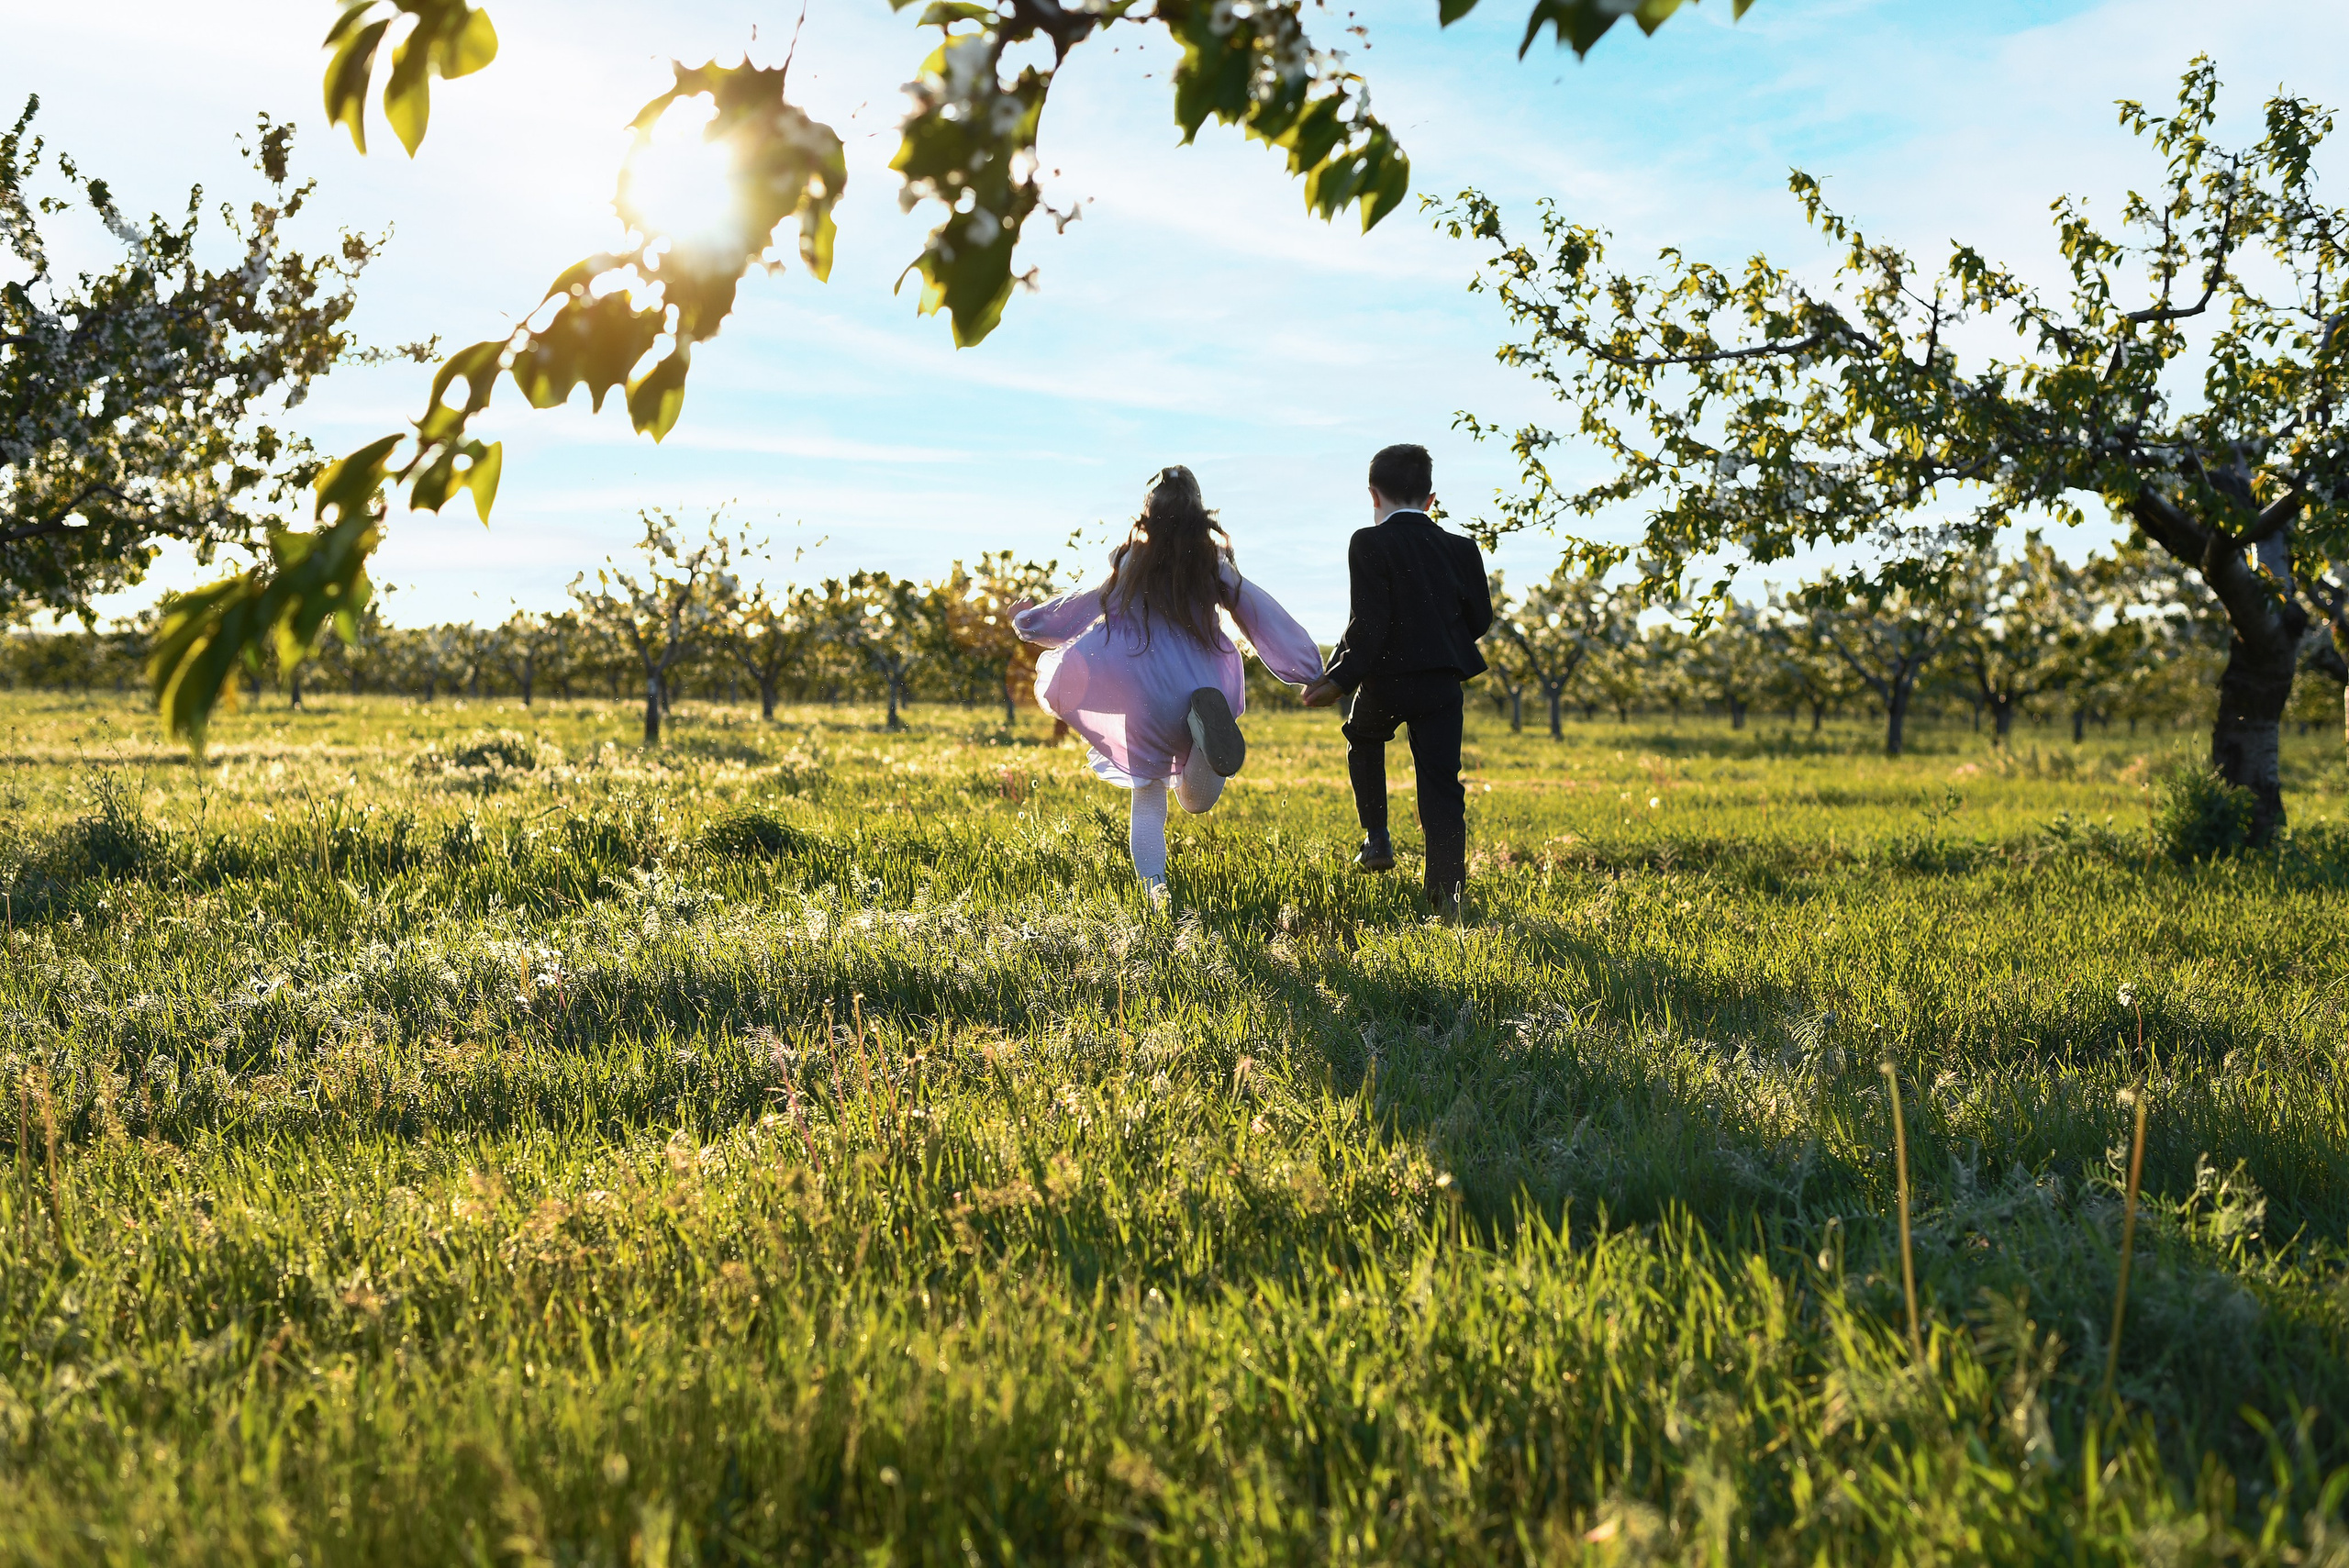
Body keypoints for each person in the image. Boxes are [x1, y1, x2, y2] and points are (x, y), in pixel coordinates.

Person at [1015, 465, 1325, 904]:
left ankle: (1155, 894)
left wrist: (1029, 622)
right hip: (1202, 682)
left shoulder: (1128, 562)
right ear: (1199, 512)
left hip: (1144, 692)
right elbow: (1260, 614)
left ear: (1147, 513)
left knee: (1148, 797)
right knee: (1196, 801)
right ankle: (1204, 736)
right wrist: (1308, 667)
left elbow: (1077, 610)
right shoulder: (1213, 566)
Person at [1302, 443, 1491, 920]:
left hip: (1386, 679)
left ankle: (1377, 837)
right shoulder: (1462, 548)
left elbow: (1368, 622)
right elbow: (1481, 617)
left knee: (1363, 737)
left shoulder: (1369, 542)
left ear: (1373, 495)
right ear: (1431, 499)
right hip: (1442, 684)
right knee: (1442, 783)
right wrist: (1438, 638)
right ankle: (1445, 894)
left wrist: (1339, 681)